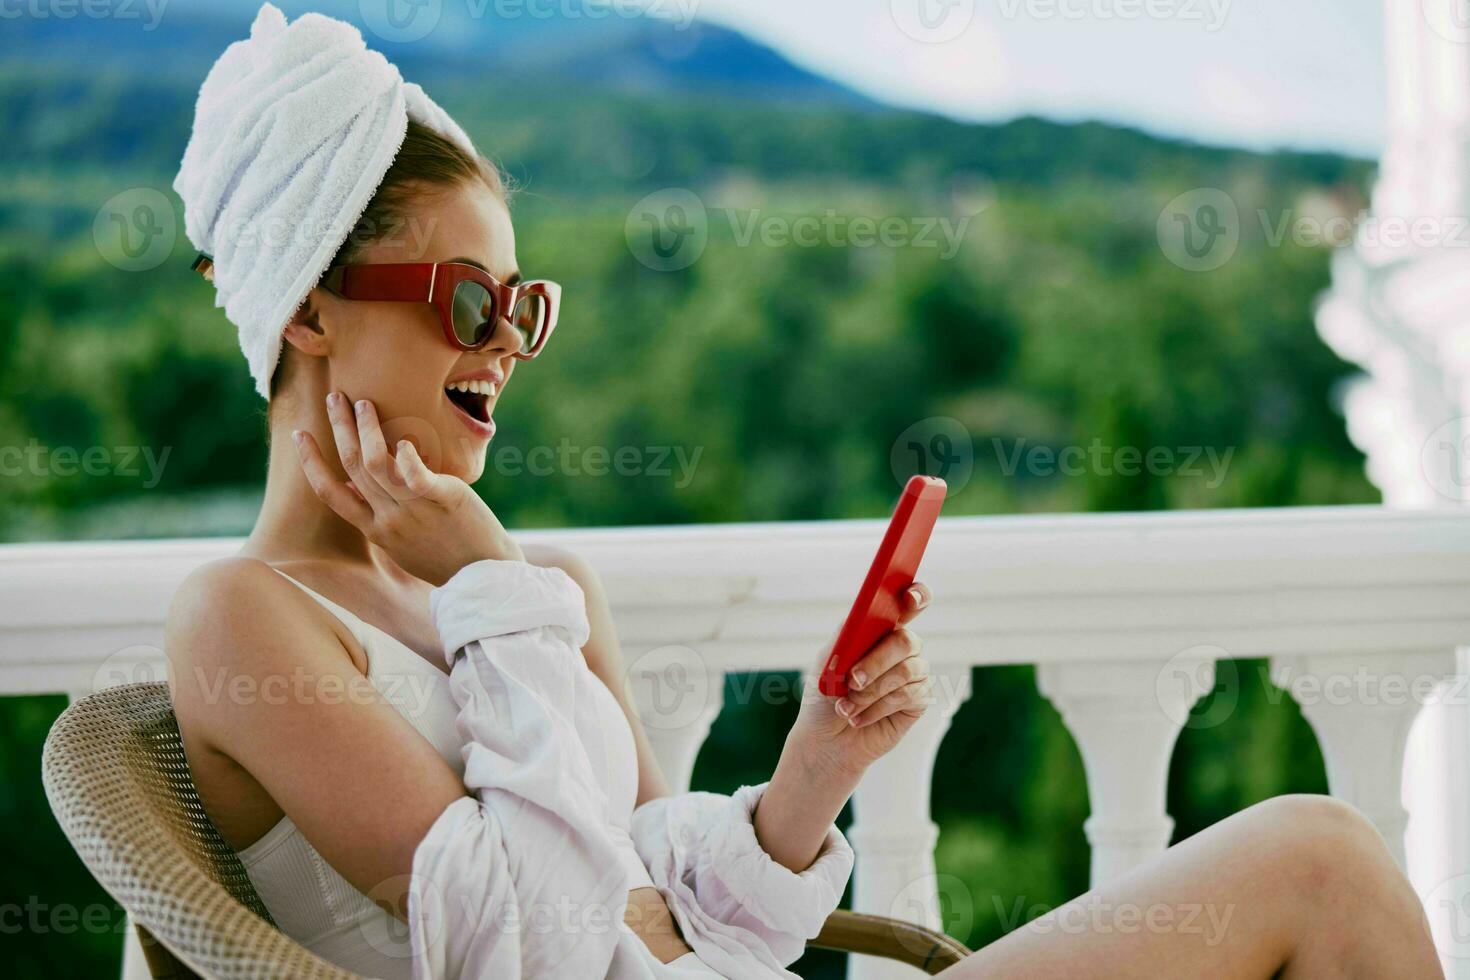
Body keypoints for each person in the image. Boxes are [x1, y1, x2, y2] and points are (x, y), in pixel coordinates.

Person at [165, 5, 1443, 978]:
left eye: (526, 307)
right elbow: (531, 950)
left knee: (1326, 856)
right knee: (1319, 864)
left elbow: (681, 913)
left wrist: (810, 773)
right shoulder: (249, 618)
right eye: (470, 300)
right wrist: (491, 585)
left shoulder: (538, 596)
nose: (506, 342)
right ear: (311, 306)